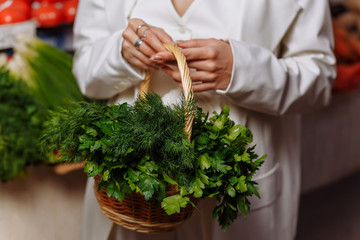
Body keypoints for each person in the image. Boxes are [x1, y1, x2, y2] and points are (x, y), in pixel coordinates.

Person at [72, 0, 336, 240]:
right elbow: (85, 69)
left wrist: (244, 69)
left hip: (234, 190)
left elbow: (320, 80)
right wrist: (120, 54)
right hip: (133, 193)